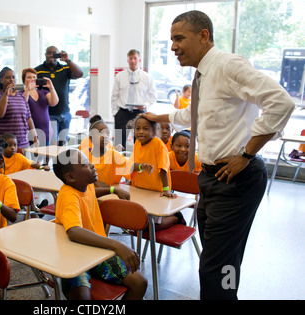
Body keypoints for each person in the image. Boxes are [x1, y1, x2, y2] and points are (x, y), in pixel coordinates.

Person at [141, 10, 295, 299]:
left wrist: (247, 154)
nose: (173, 46)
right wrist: (155, 116)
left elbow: (280, 102)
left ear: (203, 36)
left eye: (178, 38)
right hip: (212, 178)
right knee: (221, 259)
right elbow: (191, 114)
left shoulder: (228, 66)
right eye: (171, 39)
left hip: (237, 178)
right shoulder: (202, 75)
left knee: (215, 265)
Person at [53, 149, 147, 300]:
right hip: (74, 256)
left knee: (140, 283)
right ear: (70, 177)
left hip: (97, 251)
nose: (92, 165)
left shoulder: (84, 184)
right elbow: (74, 231)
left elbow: (91, 192)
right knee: (83, 297)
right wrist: (117, 245)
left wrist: (112, 189)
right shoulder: (69, 197)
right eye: (85, 164)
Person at [125, 115, 182, 230]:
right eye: (138, 128)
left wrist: (166, 190)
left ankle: (175, 218)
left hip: (156, 192)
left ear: (154, 131)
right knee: (137, 222)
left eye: (145, 129)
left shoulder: (158, 144)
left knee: (152, 226)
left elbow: (163, 169)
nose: (141, 132)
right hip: (141, 189)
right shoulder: (137, 143)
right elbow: (132, 165)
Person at [34, 46, 84, 146]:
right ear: (45, 55)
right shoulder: (38, 70)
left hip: (64, 113)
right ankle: (51, 161)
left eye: (54, 53)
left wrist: (67, 60)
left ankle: (60, 162)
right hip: (49, 113)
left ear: (58, 55)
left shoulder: (65, 68)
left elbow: (79, 74)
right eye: (49, 53)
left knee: (63, 143)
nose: (51, 56)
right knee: (52, 144)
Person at [111, 49, 157, 150]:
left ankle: (138, 163)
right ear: (127, 60)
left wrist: (145, 105)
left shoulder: (147, 77)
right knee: (119, 142)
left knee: (140, 141)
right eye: (130, 58)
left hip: (139, 113)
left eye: (135, 58)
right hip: (122, 112)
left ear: (139, 60)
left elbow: (153, 96)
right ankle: (118, 163)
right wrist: (115, 112)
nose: (133, 61)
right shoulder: (120, 76)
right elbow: (114, 95)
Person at [0, 67, 39, 149]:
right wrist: (6, 94)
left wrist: (34, 136)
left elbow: (28, 118)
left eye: (13, 77)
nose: (12, 80)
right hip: (3, 145)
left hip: (22, 143)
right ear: (1, 80)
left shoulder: (21, 96)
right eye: (8, 77)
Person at [80, 115, 128, 190]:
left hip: (110, 193)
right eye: (100, 133)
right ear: (91, 137)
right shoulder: (83, 154)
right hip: (90, 193)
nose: (104, 136)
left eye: (107, 133)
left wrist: (140, 167)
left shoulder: (113, 153)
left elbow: (129, 168)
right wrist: (95, 181)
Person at [21, 68, 59, 147]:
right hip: (30, 132)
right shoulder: (21, 94)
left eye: (34, 77)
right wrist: (28, 90)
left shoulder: (43, 92)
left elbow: (54, 102)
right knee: (32, 157)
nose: (32, 79)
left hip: (45, 131)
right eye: (29, 77)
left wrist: (51, 87)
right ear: (24, 80)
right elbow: (22, 105)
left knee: (45, 157)